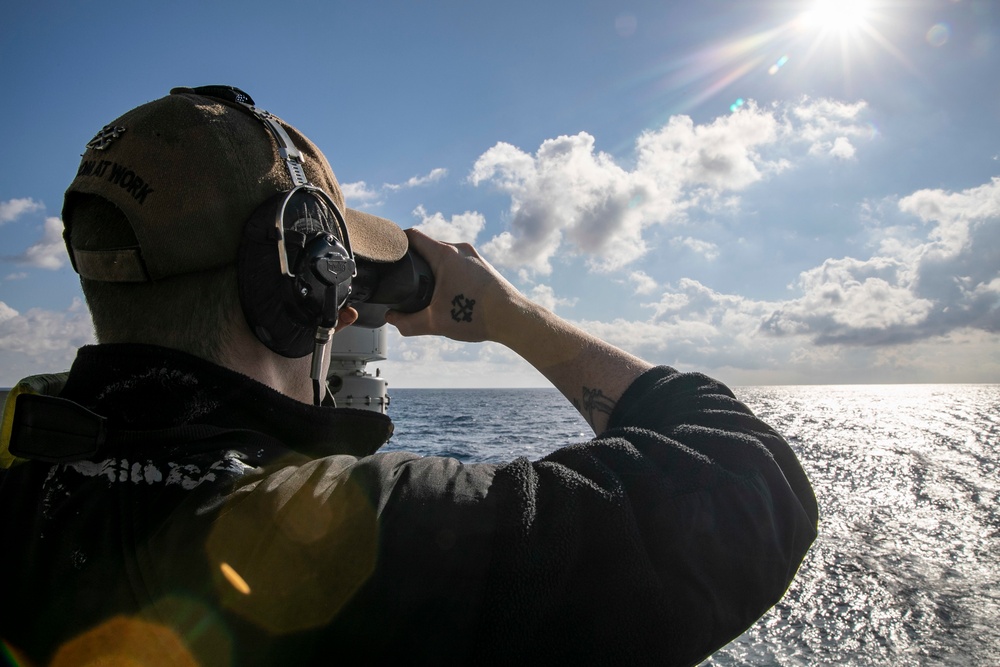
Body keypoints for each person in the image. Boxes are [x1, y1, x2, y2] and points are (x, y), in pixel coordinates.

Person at [0, 86, 818, 666]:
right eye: (335, 276)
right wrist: (511, 317)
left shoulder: (25, 474)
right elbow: (753, 484)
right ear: (293, 286)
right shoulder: (339, 541)